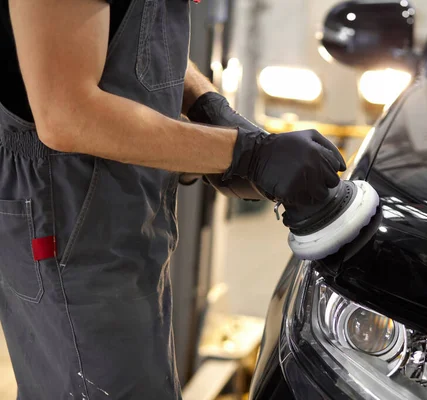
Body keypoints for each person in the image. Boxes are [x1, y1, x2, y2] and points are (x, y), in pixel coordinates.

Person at [0, 0, 345, 399]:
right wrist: (246, 153)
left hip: (120, 203)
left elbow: (132, 38)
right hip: (67, 212)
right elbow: (67, 113)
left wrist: (207, 107)